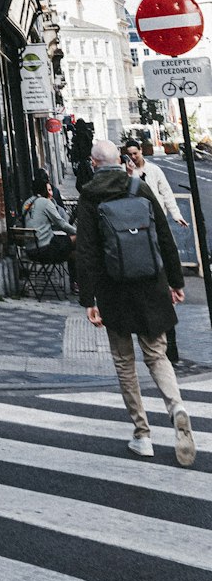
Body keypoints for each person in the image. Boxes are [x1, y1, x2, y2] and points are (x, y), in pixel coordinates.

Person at [76, 138, 195, 464]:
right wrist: (176, 281)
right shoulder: (138, 187)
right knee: (157, 354)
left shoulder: (89, 196)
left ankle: (142, 435)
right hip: (150, 284)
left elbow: (84, 252)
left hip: (114, 289)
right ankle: (176, 406)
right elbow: (164, 237)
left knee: (125, 362)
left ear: (94, 163)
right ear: (120, 161)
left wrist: (89, 298)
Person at [22, 168, 77, 289]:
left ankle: (76, 281)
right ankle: (77, 282)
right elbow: (61, 223)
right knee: (79, 240)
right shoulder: (45, 203)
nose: (51, 193)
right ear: (44, 191)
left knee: (74, 253)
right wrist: (79, 232)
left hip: (30, 250)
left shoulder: (27, 203)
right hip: (45, 249)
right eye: (49, 190)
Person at [121, 140, 186, 226]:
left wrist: (176, 215)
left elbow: (166, 192)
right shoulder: (124, 171)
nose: (133, 157)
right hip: (136, 217)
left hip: (157, 215)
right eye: (130, 154)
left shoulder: (154, 169)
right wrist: (129, 173)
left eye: (135, 153)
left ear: (140, 150)